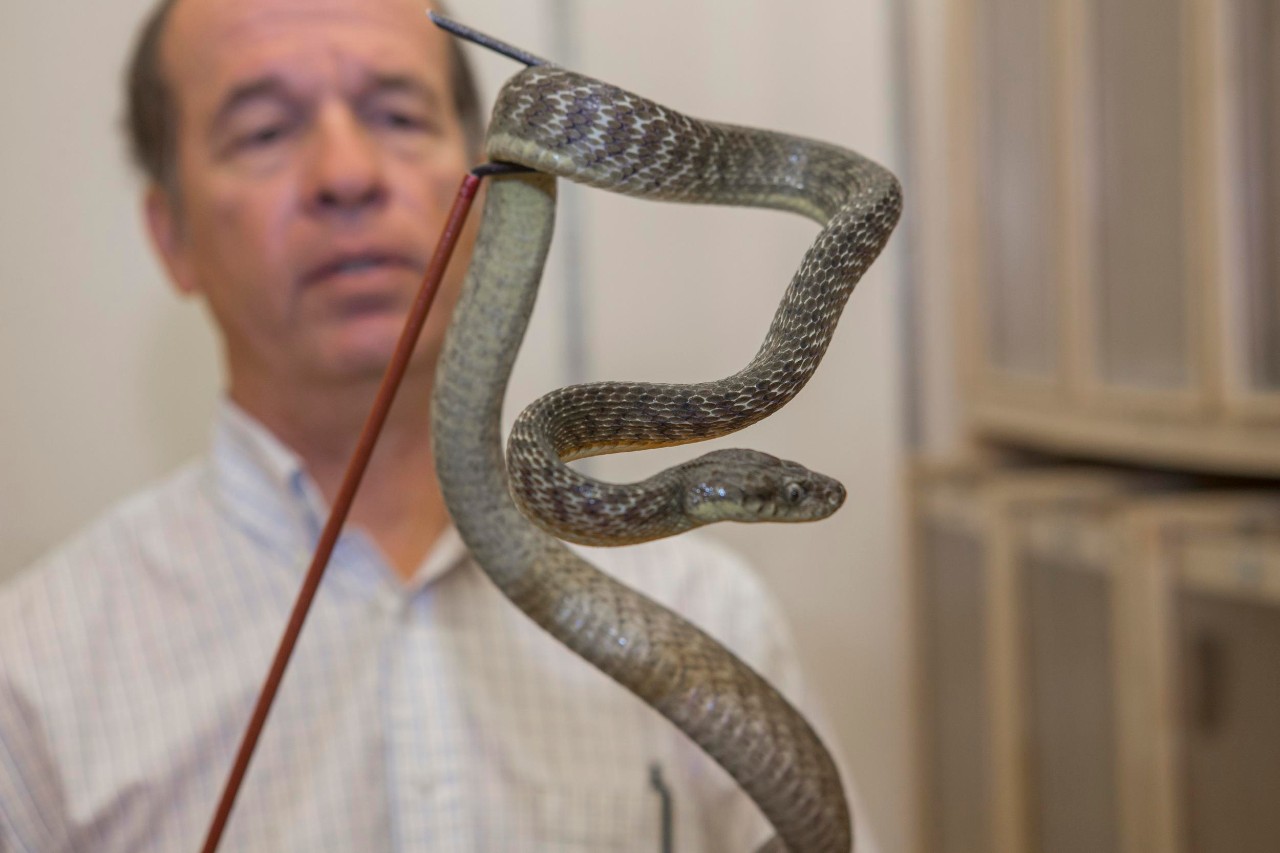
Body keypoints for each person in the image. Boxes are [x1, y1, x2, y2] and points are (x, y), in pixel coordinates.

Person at [0, 0, 876, 850]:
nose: (347, 175)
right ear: (170, 236)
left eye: (398, 114)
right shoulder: (33, 677)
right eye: (265, 131)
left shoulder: (713, 609)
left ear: (489, 181)